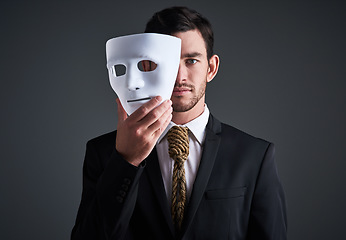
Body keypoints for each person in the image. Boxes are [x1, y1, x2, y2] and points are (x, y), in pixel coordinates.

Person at [71, 6, 287, 240]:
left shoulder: (254, 156)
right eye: (165, 63)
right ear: (144, 67)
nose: (179, 76)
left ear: (211, 68)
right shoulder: (104, 153)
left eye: (191, 61)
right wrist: (127, 162)